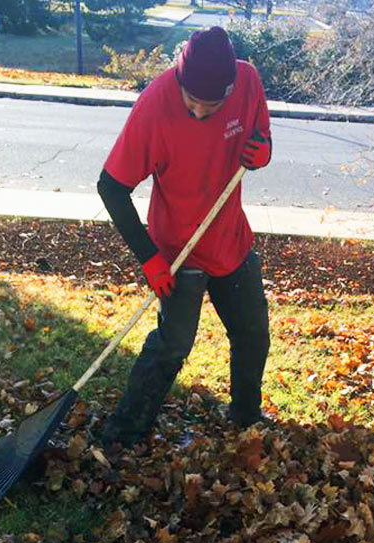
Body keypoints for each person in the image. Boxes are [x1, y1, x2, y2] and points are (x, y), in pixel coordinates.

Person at [96, 26, 272, 448]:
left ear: (229, 89)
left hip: (230, 239)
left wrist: (262, 151)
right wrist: (149, 257)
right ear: (178, 77)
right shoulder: (155, 105)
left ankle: (246, 417)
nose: (196, 111)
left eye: (208, 105)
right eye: (191, 100)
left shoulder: (247, 81)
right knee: (173, 345)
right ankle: (125, 431)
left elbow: (260, 133)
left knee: (253, 333)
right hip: (178, 251)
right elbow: (111, 186)